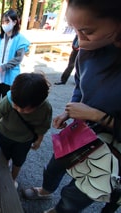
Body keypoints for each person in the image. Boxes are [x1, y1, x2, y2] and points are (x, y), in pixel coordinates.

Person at [22, 0, 121, 212]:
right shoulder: (88, 50)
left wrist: (97, 116)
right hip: (82, 127)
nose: (78, 40)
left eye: (86, 31)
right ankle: (47, 189)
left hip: (111, 148)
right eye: (74, 28)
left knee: (79, 192)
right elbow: (80, 85)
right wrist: (71, 110)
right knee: (55, 163)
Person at [0, 72, 52, 187]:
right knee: (3, 156)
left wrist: (39, 139)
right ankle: (6, 166)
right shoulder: (8, 101)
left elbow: (43, 125)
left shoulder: (45, 107)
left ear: (37, 105)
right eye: (16, 106)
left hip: (25, 140)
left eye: (24, 109)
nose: (19, 110)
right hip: (5, 135)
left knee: (19, 161)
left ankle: (12, 178)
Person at [0, 9, 30, 106]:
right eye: (3, 22)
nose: (4, 24)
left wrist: (5, 66)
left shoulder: (20, 39)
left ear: (15, 22)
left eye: (7, 21)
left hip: (10, 75)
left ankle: (6, 119)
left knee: (7, 99)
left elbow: (19, 58)